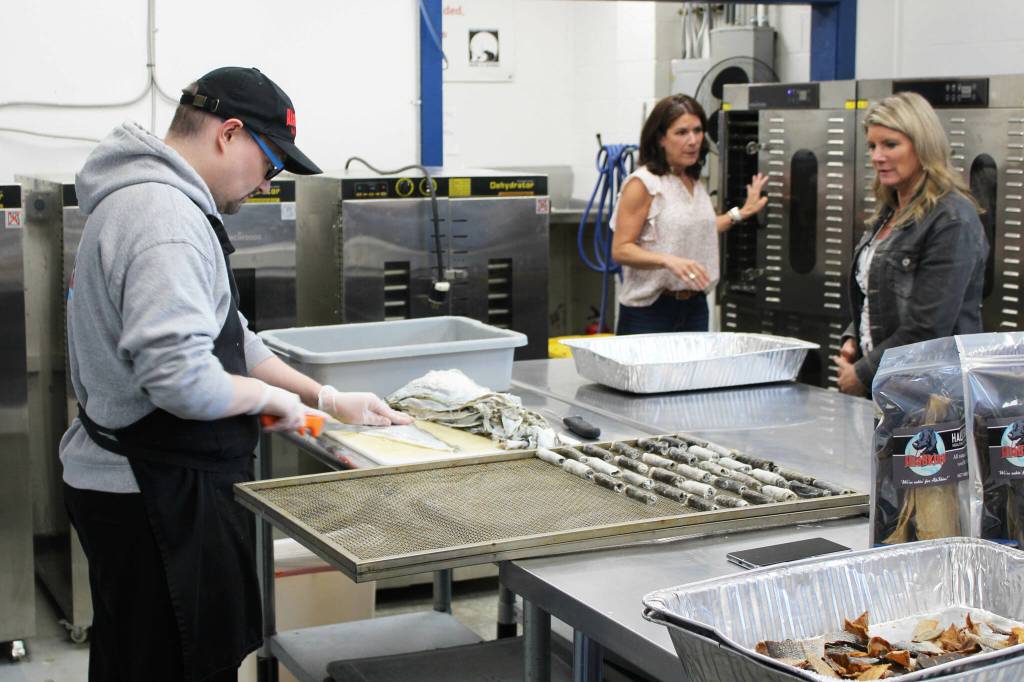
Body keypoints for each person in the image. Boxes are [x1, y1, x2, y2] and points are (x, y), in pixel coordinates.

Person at [60, 66, 412, 682]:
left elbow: (230, 335)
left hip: (152, 485)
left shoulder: (157, 202)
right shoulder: (163, 220)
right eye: (270, 164)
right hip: (154, 497)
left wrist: (324, 397)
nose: (265, 185)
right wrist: (278, 405)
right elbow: (183, 380)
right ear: (228, 134)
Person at [834, 91, 988, 396]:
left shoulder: (951, 219)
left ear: (923, 145)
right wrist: (854, 337)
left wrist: (862, 374)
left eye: (890, 144)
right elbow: (874, 292)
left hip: (931, 395)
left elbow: (927, 328)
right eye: (873, 146)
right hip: (891, 382)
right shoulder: (891, 211)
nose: (878, 156)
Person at [610, 94, 768, 334]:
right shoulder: (643, 183)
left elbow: (697, 227)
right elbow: (621, 249)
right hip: (650, 311)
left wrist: (741, 213)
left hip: (694, 307)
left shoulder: (691, 180)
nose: (693, 140)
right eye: (682, 132)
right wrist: (668, 260)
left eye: (697, 130)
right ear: (661, 138)